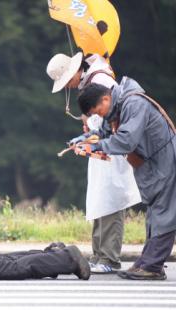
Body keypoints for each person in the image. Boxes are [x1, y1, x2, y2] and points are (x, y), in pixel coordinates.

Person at [46, 52, 141, 273]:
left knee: (111, 200)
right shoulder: (90, 81)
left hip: (112, 148)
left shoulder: (100, 80)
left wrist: (93, 131)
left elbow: (112, 117)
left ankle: (109, 258)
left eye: (66, 81)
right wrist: (87, 134)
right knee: (100, 198)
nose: (67, 87)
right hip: (101, 146)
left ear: (74, 72)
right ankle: (99, 255)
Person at [76, 78, 176, 280]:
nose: (99, 116)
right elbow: (104, 132)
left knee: (164, 215)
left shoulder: (134, 104)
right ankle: (147, 263)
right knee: (157, 214)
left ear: (106, 98)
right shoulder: (117, 108)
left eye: (97, 112)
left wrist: (96, 146)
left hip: (165, 162)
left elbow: (126, 139)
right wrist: (85, 139)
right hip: (153, 165)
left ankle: (152, 266)